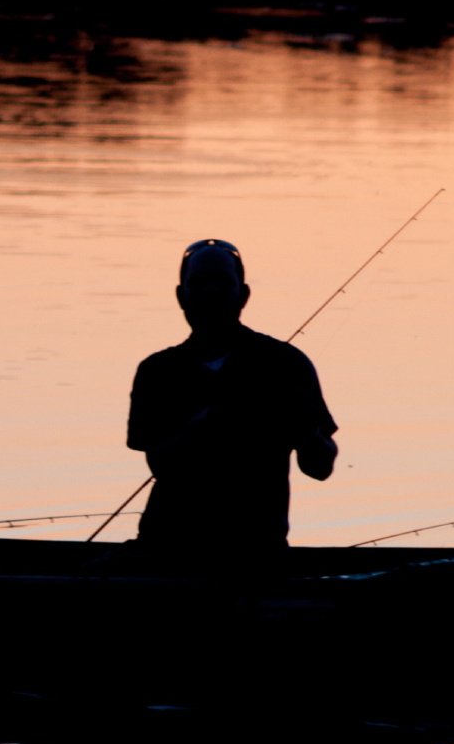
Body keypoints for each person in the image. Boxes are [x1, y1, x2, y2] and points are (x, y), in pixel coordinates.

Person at [126, 239, 337, 559]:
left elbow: (320, 467)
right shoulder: (157, 371)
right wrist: (196, 430)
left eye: (223, 282)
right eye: (199, 282)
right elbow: (160, 464)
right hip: (168, 548)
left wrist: (308, 433)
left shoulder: (287, 363)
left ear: (244, 294)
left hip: (258, 550)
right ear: (181, 296)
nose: (211, 291)